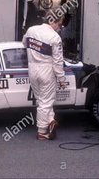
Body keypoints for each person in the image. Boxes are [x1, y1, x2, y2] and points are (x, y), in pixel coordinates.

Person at [22, 9, 66, 140]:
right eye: (59, 24)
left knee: (42, 100)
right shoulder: (55, 37)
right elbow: (58, 62)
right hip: (46, 70)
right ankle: (42, 131)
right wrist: (61, 79)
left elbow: (24, 44)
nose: (59, 28)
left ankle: (51, 121)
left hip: (32, 69)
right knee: (46, 103)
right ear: (53, 21)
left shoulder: (31, 30)